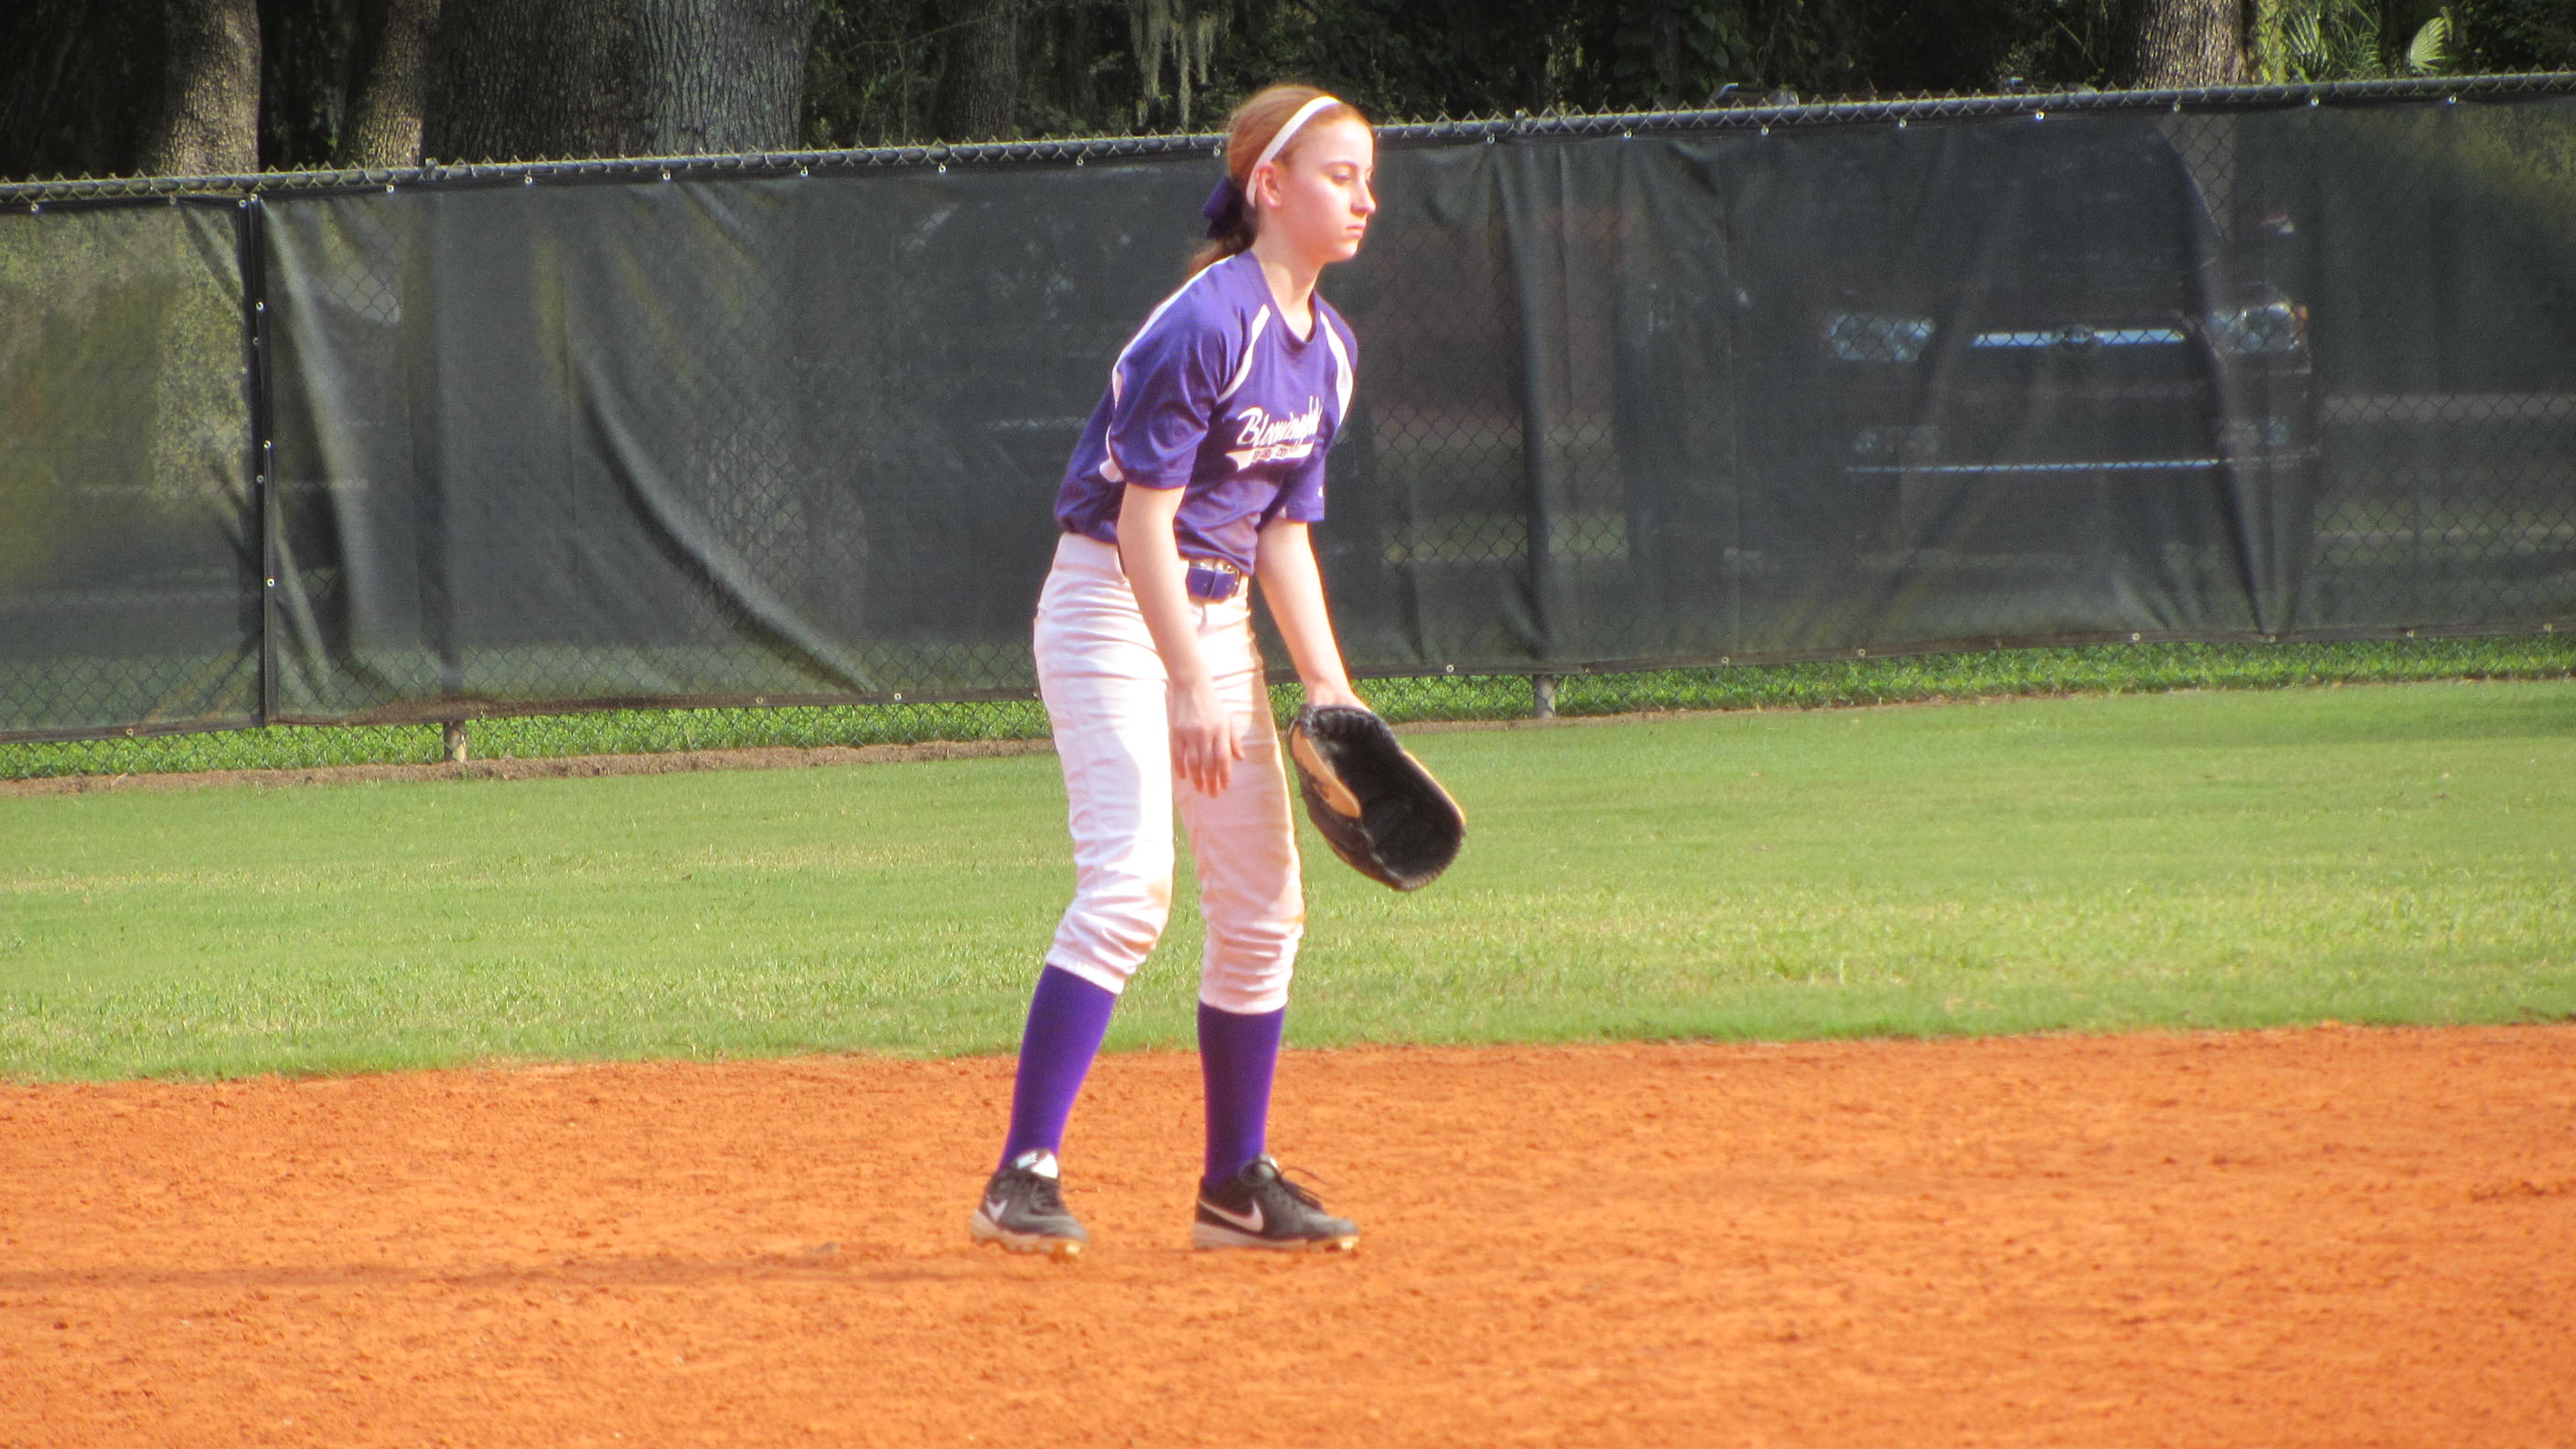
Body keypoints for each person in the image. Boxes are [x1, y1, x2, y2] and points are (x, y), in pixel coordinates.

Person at [968, 84, 1379, 1257]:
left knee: (1261, 906)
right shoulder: (1206, 324)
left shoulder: (1328, 352)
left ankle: (1233, 1188)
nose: (1364, 198)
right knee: (1130, 881)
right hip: (1111, 605)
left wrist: (1328, 685)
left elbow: (1279, 535)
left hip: (1214, 618)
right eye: (1340, 175)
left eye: (1367, 179)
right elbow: (1143, 521)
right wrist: (1188, 681)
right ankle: (1020, 1175)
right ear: (1269, 187)